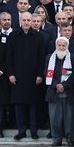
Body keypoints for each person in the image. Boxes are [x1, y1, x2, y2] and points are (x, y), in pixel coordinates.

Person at [6, 12, 45, 140]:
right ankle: (21, 130)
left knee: (33, 105)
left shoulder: (39, 37)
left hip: (33, 77)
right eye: (24, 20)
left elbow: (41, 58)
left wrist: (40, 74)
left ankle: (34, 130)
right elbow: (9, 57)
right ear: (20, 21)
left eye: (29, 20)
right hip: (17, 76)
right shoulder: (13, 36)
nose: (27, 22)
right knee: (19, 105)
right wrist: (10, 74)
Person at [44, 36, 74, 146]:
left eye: (63, 45)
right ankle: (56, 139)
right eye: (59, 45)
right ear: (56, 46)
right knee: (54, 118)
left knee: (69, 119)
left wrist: (64, 85)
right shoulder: (49, 58)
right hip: (54, 92)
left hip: (68, 93)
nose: (61, 47)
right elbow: (46, 73)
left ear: (67, 46)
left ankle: (70, 139)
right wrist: (56, 85)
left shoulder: (73, 58)